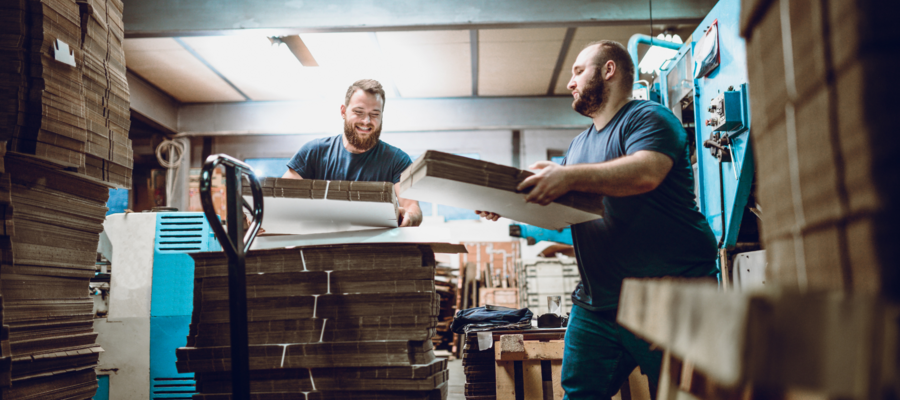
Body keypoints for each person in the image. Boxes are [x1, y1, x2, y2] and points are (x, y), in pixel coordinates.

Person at [477, 41, 717, 399]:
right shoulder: (577, 147)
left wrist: (567, 177)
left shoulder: (648, 117)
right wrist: (507, 202)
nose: (570, 84)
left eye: (578, 71)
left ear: (608, 70)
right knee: (579, 393)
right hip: (598, 305)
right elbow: (565, 214)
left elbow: (645, 172)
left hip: (669, 294)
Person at [283, 79, 422, 227]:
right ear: (343, 111)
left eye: (374, 114)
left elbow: (411, 207)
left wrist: (410, 217)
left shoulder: (397, 159)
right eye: (358, 112)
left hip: (374, 247)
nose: (366, 121)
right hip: (320, 245)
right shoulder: (314, 152)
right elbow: (280, 197)